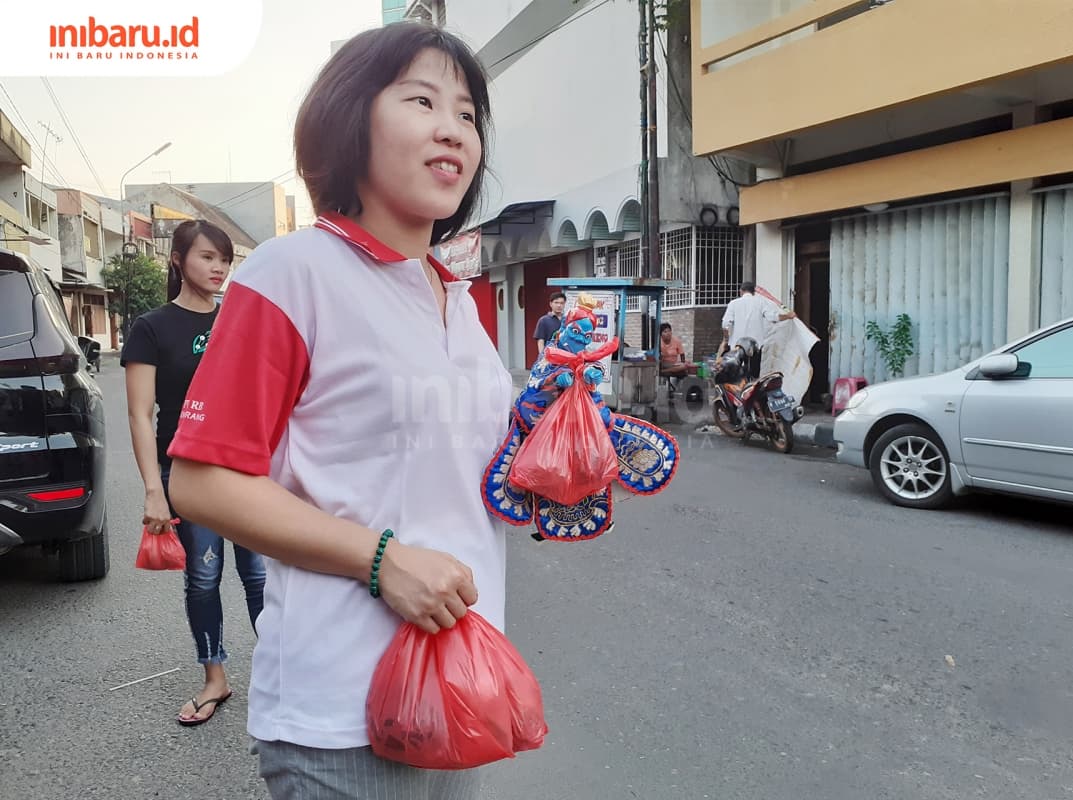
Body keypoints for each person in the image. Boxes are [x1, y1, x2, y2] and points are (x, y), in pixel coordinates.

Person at [165, 23, 512, 800]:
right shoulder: (293, 273)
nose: (452, 128)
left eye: (466, 112)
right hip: (338, 717)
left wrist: (564, 470)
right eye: (421, 100)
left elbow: (457, 478)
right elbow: (204, 481)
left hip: (456, 690)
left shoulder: (457, 297)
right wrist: (383, 561)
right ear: (351, 118)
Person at [122, 219, 266, 727]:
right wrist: (152, 492)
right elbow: (141, 415)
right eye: (208, 257)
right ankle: (215, 680)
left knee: (260, 576)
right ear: (179, 260)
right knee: (204, 578)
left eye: (224, 259)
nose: (219, 267)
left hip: (244, 472)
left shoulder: (237, 321)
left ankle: (281, 675)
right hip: (188, 473)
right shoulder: (151, 328)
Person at [720, 281, 796, 379]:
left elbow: (725, 324)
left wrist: (726, 340)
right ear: (754, 292)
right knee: (754, 376)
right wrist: (788, 316)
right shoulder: (761, 303)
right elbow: (773, 317)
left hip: (737, 347)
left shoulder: (733, 304)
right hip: (755, 347)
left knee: (737, 376)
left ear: (741, 291)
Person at [532, 290, 566, 357]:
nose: (559, 305)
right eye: (556, 302)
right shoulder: (543, 320)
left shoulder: (567, 319)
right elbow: (540, 340)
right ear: (551, 304)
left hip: (565, 355)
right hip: (550, 355)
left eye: (562, 303)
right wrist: (541, 356)